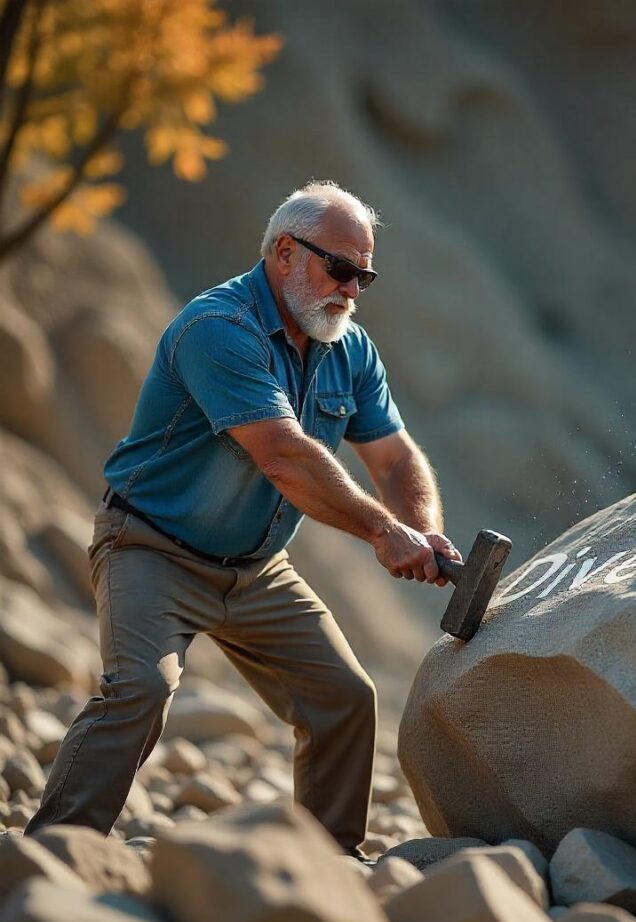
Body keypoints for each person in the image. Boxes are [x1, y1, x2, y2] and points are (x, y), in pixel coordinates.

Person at [25, 181, 459, 860]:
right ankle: (50, 855)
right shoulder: (217, 329)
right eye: (339, 269)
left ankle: (327, 865)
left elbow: (395, 456)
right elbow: (284, 458)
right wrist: (382, 532)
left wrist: (423, 527)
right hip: (151, 548)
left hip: (256, 570)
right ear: (285, 252)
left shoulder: (350, 348)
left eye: (364, 276)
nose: (352, 290)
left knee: (344, 697)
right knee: (139, 688)